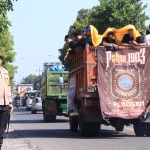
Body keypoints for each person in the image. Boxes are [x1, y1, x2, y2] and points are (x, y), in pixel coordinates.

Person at [0, 53, 13, 149]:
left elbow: (8, 87)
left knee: (2, 127)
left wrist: (10, 103)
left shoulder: (5, 72)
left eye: (0, 58)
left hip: (5, 104)